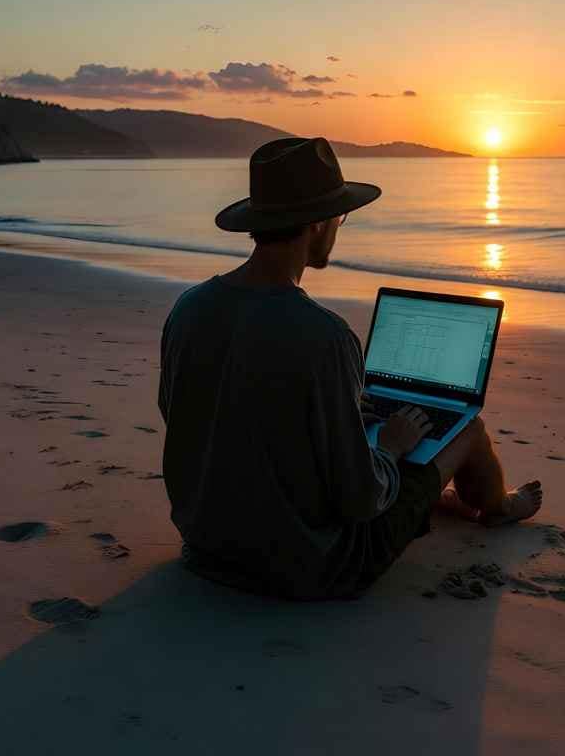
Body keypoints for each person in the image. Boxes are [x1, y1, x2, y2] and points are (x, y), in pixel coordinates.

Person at [158, 136, 542, 600]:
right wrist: (392, 448)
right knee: (468, 430)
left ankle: (438, 495)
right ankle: (498, 507)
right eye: (340, 218)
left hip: (206, 545)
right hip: (310, 565)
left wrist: (333, 417)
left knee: (367, 429)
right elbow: (361, 499)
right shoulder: (326, 337)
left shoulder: (189, 309)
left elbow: (190, 418)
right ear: (319, 224)